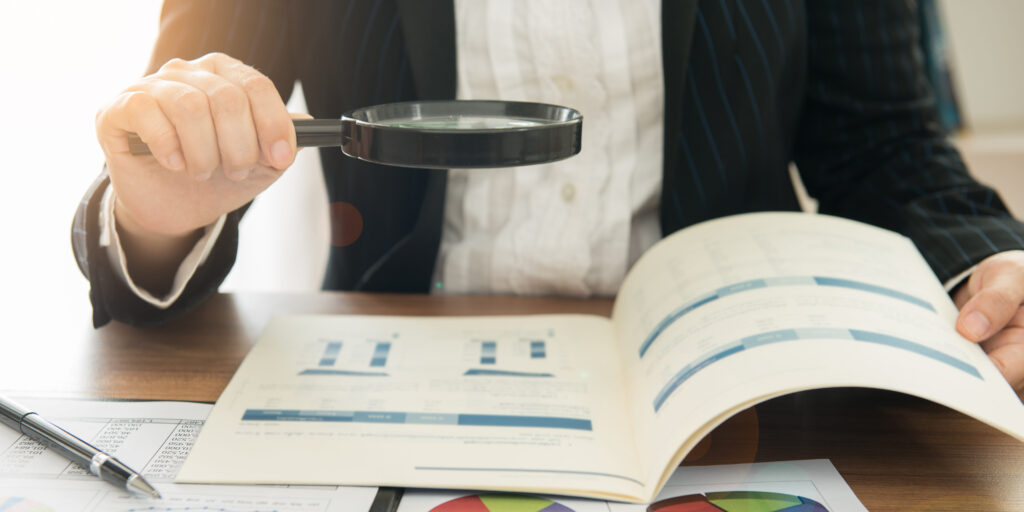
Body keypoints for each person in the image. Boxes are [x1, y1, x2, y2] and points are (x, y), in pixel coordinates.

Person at [74, 0, 1024, 389]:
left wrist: (987, 269)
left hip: (736, 387)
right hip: (392, 380)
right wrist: (156, 212)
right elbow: (171, 161)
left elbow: (882, 144)